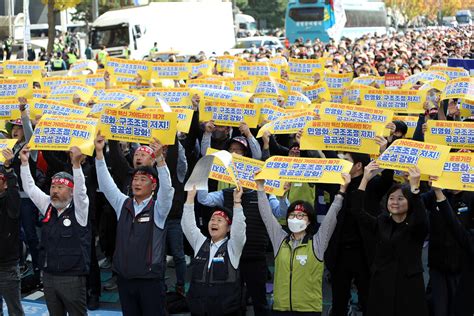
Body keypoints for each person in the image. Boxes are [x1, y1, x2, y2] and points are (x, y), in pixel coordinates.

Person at [94, 132, 175, 316]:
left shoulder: (159, 209)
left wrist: (161, 160)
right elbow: (106, 185)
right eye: (135, 179)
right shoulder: (123, 204)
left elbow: (168, 191)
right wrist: (99, 154)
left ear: (153, 186)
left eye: (143, 180)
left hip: (150, 280)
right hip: (124, 278)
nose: (137, 183)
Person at [256, 173, 350, 315]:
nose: (295, 218)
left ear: (309, 220)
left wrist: (341, 192)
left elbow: (331, 217)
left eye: (301, 215)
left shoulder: (317, 243)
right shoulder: (280, 240)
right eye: (292, 215)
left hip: (309, 310)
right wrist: (260, 188)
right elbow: (267, 216)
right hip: (280, 308)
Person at [20, 146, 91, 316]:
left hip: (72, 277)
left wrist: (76, 165)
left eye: (60, 188)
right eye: (53, 187)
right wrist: (24, 163)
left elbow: (81, 192)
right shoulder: (48, 206)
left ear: (71, 192)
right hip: (49, 276)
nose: (55, 191)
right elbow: (30, 188)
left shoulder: (80, 210)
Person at [351, 162, 428, 316]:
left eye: (400, 199)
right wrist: (365, 179)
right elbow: (357, 211)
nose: (394, 202)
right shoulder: (382, 221)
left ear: (409, 202)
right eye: (391, 198)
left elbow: (421, 218)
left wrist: (414, 187)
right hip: (381, 286)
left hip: (408, 287)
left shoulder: (416, 225)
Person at [182, 186, 246, 315]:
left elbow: (239, 230)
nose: (214, 223)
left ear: (228, 228)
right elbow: (187, 225)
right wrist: (190, 198)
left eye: (219, 220)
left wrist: (237, 203)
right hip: (198, 309)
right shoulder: (200, 243)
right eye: (212, 219)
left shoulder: (233, 247)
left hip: (224, 310)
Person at [431, 183, 474, 316]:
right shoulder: (433, 195)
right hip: (440, 264)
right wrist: (438, 193)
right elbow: (455, 226)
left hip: (462, 266)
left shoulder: (471, 197)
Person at [0, 148, 24, 316]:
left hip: (7, 267)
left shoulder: (11, 203)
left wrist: (9, 169)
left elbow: (14, 189)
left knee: (14, 310)